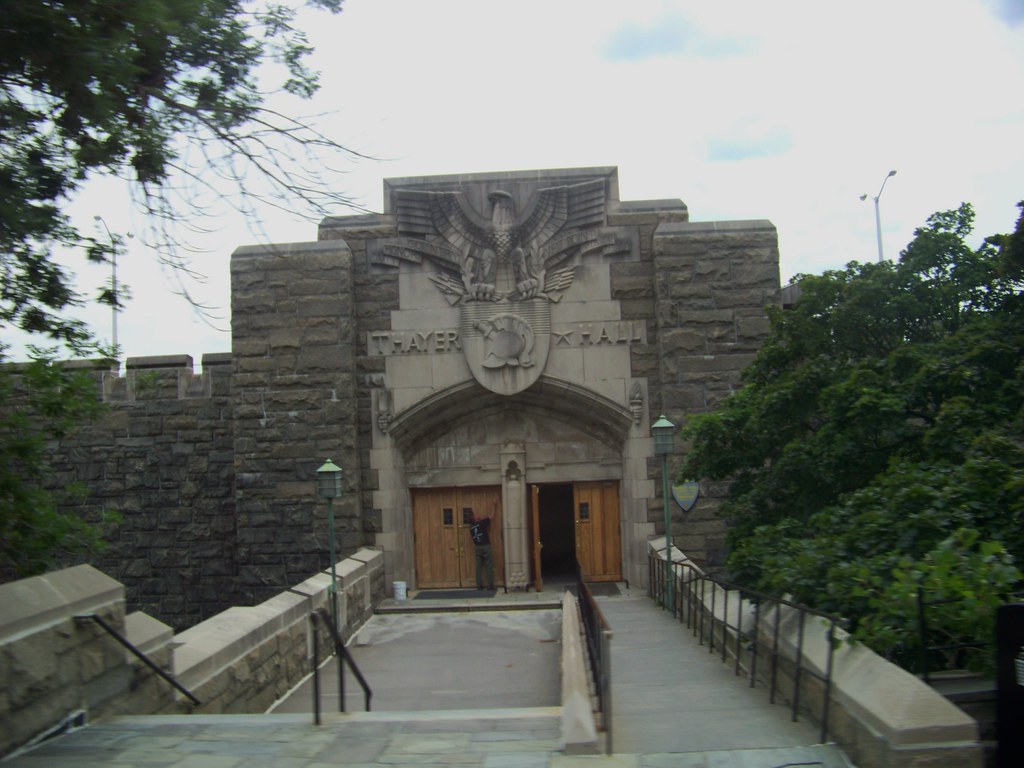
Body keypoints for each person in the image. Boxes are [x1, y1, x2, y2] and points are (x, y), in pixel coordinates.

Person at [467, 507, 495, 590]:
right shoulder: (482, 523)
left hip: (477, 548)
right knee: (489, 565)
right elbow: (491, 516)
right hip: (485, 546)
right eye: (475, 515)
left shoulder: (471, 528)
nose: (478, 515)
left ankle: (479, 585)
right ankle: (490, 585)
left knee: (478, 566)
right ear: (474, 518)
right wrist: (494, 505)